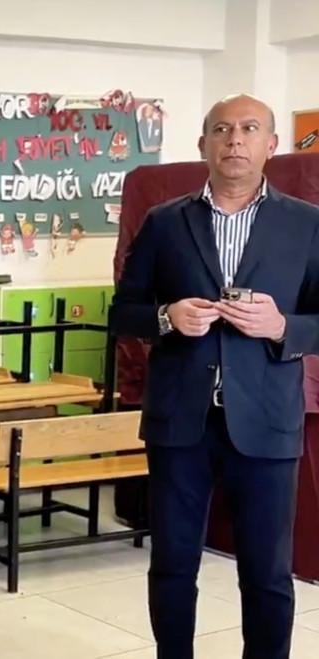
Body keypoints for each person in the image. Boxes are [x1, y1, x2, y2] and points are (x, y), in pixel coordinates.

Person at [112, 94, 319, 659]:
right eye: (222, 129)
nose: (235, 140)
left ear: (270, 145)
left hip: (268, 421)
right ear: (203, 144)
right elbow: (123, 312)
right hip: (181, 420)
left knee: (268, 572)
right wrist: (166, 317)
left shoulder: (306, 224)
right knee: (173, 564)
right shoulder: (164, 222)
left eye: (249, 129)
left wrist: (282, 326)